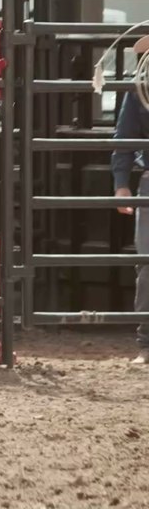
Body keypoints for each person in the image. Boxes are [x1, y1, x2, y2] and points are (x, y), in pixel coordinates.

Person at [111, 38, 149, 366]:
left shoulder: (140, 86)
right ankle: (147, 343)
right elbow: (125, 136)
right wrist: (121, 183)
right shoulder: (140, 87)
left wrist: (122, 182)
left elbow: (124, 135)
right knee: (147, 262)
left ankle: (146, 344)